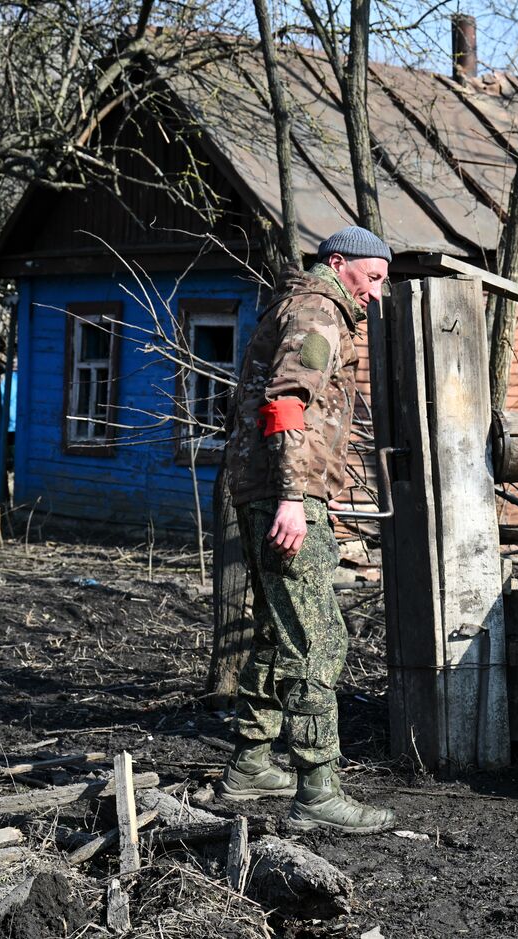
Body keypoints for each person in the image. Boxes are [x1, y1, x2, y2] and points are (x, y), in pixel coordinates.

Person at [218, 225, 396, 834]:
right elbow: (286, 402)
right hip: (283, 495)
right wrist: (294, 496)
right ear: (338, 263)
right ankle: (318, 791)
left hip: (270, 489)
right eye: (372, 277)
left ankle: (249, 765)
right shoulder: (319, 309)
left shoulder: (299, 305)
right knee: (319, 641)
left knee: (276, 630)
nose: (379, 290)